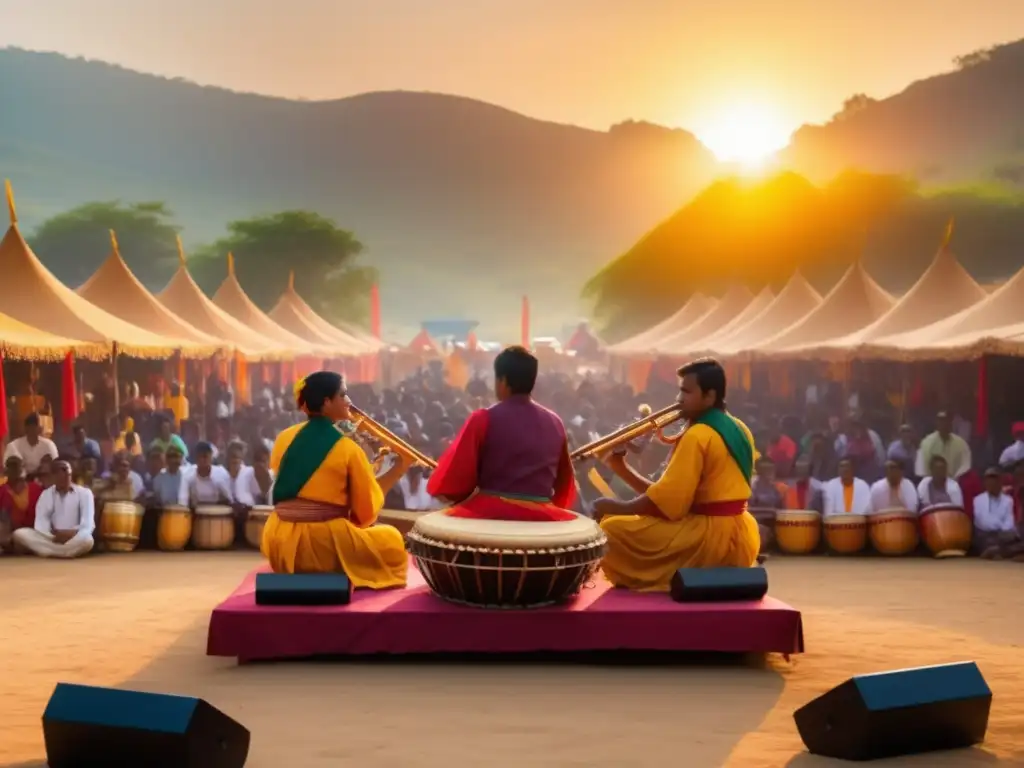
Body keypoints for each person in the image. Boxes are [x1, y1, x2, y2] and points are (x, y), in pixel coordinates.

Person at [594, 358, 760, 591]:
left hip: (707, 540)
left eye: (686, 392)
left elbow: (668, 505)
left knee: (610, 529)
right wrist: (620, 467)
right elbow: (669, 496)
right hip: (742, 540)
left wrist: (616, 507)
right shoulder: (740, 428)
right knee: (626, 520)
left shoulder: (698, 435)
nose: (679, 400)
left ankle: (646, 578)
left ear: (709, 396)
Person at [262, 371, 412, 586]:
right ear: (326, 402)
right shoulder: (347, 448)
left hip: (278, 541)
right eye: (343, 395)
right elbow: (366, 514)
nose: (349, 401)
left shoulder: (283, 438)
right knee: (391, 539)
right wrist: (400, 467)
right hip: (321, 546)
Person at [426, 346, 577, 521]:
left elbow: (453, 485)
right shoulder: (555, 422)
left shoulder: (483, 419)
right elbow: (564, 483)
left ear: (503, 381)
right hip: (543, 513)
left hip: (490, 511)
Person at [13, 460, 96, 558]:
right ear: (53, 477)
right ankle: (64, 552)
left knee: (88, 540)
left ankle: (52, 552)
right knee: (19, 534)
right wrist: (53, 536)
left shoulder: (85, 493)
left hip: (74, 537)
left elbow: (88, 524)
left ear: (71, 475)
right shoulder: (46, 494)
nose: (65, 478)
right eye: (60, 476)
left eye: (67, 475)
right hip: (52, 538)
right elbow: (41, 522)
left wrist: (72, 533)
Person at [972, 467, 1023, 560]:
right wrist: (1000, 525)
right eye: (989, 481)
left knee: (1015, 537)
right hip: (985, 535)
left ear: (1000, 482)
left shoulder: (1008, 500)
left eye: (995, 480)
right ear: (985, 483)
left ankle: (998, 552)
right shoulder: (978, 500)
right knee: (988, 540)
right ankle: (1006, 552)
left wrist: (1003, 531)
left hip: (1004, 536)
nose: (992, 483)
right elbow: (984, 522)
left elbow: (1009, 522)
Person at [0, 456, 43, 553]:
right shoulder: (2, 490)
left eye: (17, 467)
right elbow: (3, 517)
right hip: (9, 533)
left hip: (31, 532)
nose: (15, 470)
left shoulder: (35, 489)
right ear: (6, 471)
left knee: (21, 537)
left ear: (23, 470)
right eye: (11, 467)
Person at [916, 411, 971, 479]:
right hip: (932, 482)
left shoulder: (961, 444)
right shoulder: (926, 442)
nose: (944, 424)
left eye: (946, 421)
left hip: (954, 481)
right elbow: (921, 467)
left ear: (951, 423)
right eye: (941, 421)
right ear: (937, 423)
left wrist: (955, 478)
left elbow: (965, 464)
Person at [178, 442, 233, 507]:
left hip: (218, 512)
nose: (202, 460)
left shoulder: (221, 473)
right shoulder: (187, 474)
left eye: (205, 456)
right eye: (199, 457)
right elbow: (183, 501)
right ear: (195, 458)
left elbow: (229, 500)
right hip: (196, 513)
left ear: (211, 457)